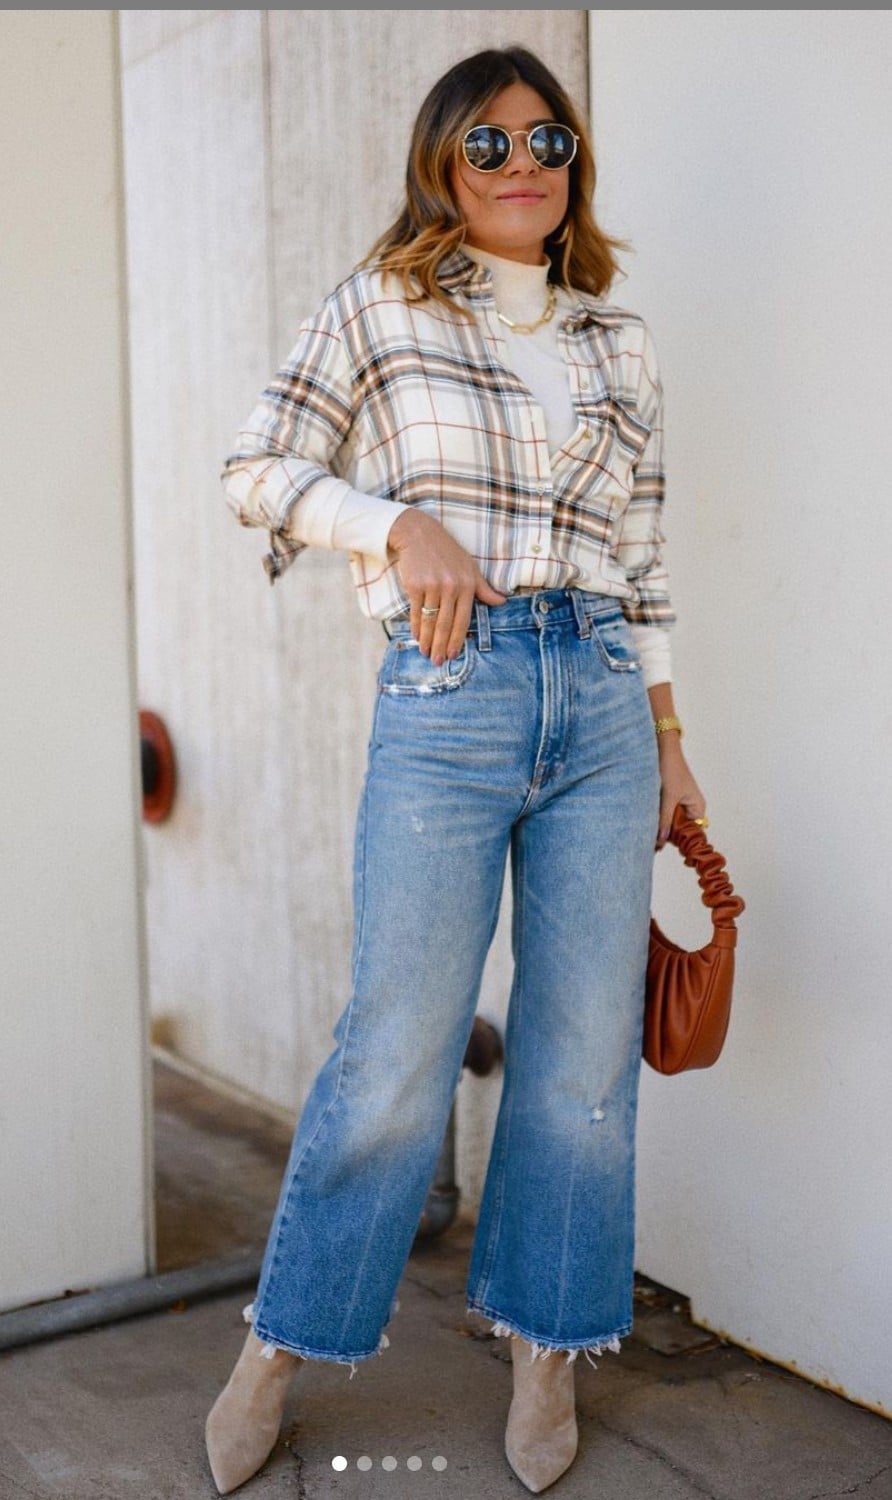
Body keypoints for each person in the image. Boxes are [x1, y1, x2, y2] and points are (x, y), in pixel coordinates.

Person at [206, 44, 707, 1496]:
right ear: (442, 162)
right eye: (487, 144)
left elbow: (648, 560)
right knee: (397, 1049)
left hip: (606, 701)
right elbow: (258, 463)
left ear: (574, 162)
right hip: (452, 695)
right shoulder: (382, 305)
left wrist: (673, 741)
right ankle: (280, 1345)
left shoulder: (622, 341)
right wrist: (392, 528)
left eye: (547, 137)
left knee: (579, 1061)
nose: (524, 162)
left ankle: (547, 1350)